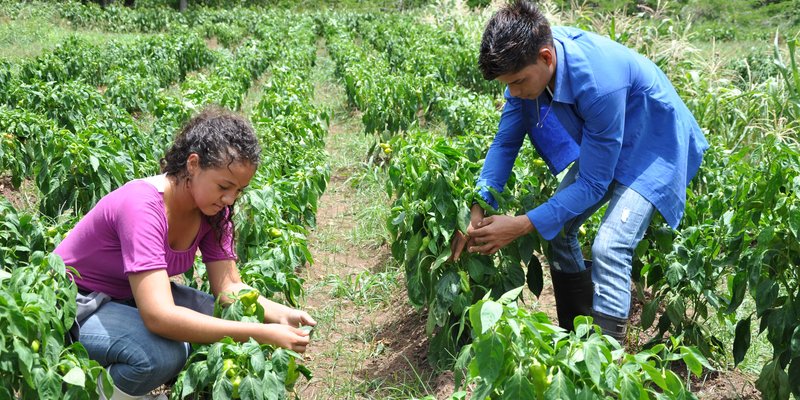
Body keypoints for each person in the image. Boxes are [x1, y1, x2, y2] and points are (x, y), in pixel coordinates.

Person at [451, 0, 708, 343]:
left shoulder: (598, 82)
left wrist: (521, 225)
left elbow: (591, 182)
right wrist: (477, 207)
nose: (512, 92)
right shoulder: (530, 72)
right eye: (507, 84)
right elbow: (504, 144)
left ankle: (606, 366)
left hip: (653, 144)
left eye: (517, 82)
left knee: (610, 245)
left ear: (546, 58)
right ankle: (578, 337)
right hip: (607, 139)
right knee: (558, 230)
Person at [54, 107, 316, 399]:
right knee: (159, 354)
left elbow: (229, 288)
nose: (230, 199)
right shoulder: (142, 206)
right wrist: (261, 334)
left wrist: (280, 315)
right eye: (224, 186)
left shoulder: (213, 212)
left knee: (223, 315)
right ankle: (86, 390)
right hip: (75, 304)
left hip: (124, 294)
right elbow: (159, 316)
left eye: (239, 190)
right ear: (193, 164)